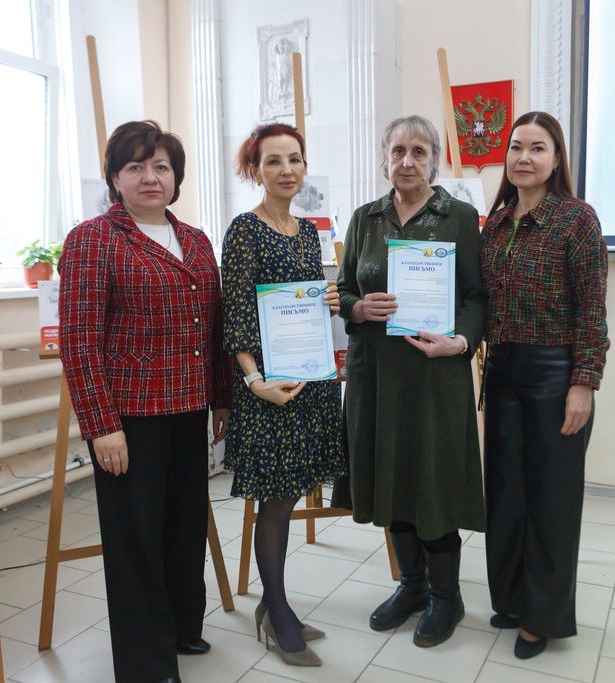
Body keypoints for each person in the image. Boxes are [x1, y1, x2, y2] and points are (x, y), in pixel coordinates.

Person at [59, 120, 232, 683]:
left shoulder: (196, 240)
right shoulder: (93, 239)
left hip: (189, 407)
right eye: (135, 166)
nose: (150, 177)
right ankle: (145, 663)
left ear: (176, 177)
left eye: (161, 166)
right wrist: (101, 425)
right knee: (135, 541)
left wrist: (222, 398)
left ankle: (182, 627)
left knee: (184, 525)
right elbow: (80, 342)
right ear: (115, 178)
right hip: (128, 418)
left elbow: (214, 327)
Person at [337, 114, 487, 648]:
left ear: (434, 161)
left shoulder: (459, 217)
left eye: (419, 152)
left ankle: (447, 597)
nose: (407, 161)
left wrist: (460, 341)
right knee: (392, 478)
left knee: (434, 481)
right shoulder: (365, 219)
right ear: (385, 158)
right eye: (398, 150)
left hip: (435, 375)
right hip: (376, 376)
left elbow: (477, 297)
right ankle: (412, 586)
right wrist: (358, 309)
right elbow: (344, 290)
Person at [480, 111, 609, 660]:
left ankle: (542, 617)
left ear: (556, 160)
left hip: (555, 375)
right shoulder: (496, 223)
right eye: (516, 147)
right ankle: (512, 600)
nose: (524, 158)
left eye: (537, 148)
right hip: (502, 371)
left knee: (551, 501)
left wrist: (584, 383)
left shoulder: (576, 219)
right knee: (506, 495)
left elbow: (593, 308)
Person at [221, 123, 346, 667]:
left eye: (295, 159)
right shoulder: (244, 230)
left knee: (291, 493)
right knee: (274, 504)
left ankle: (274, 606)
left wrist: (328, 301)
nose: (287, 170)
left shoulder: (306, 230)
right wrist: (254, 382)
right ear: (256, 170)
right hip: (269, 389)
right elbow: (236, 314)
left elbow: (299, 305)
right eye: (273, 161)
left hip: (308, 383)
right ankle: (277, 611)